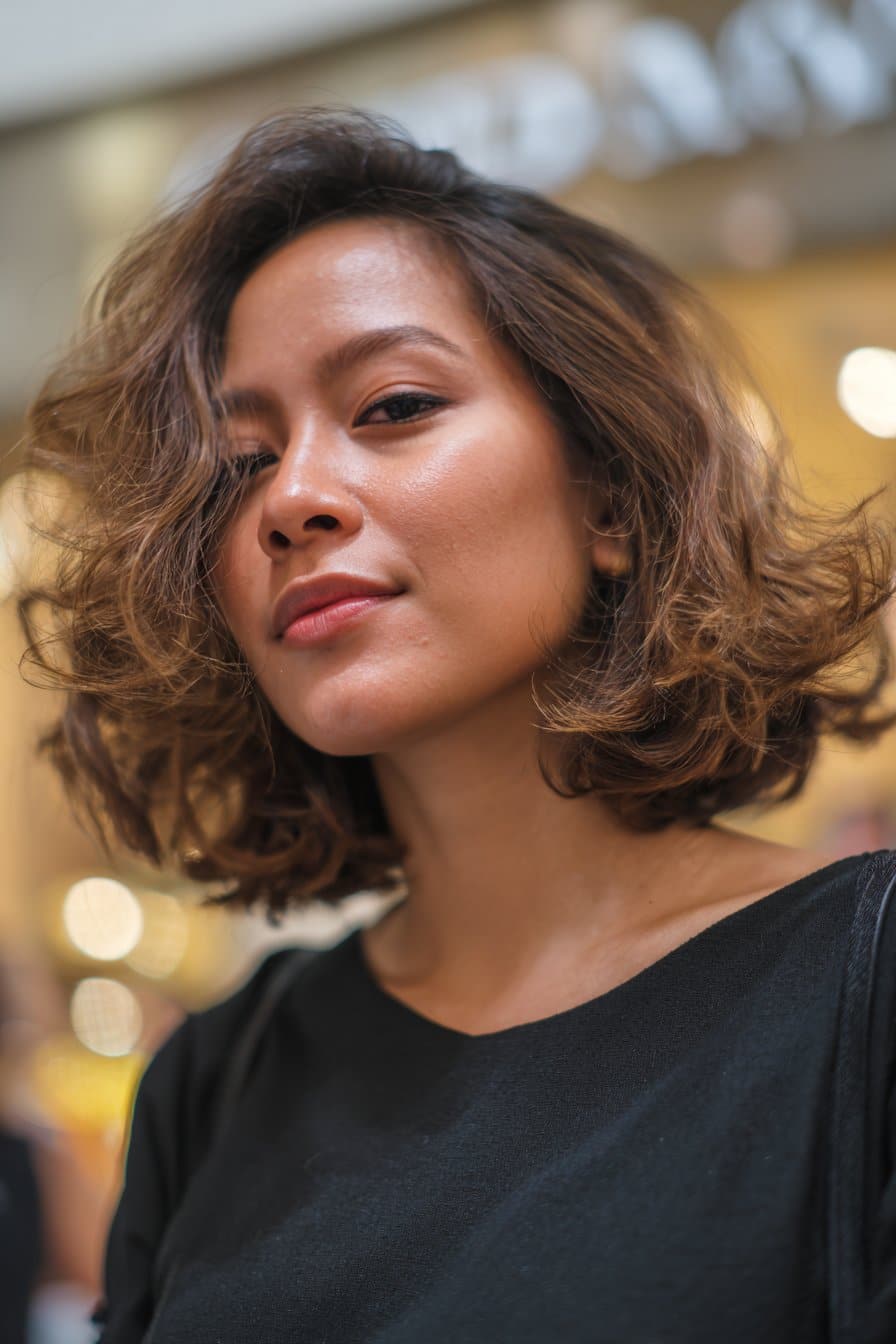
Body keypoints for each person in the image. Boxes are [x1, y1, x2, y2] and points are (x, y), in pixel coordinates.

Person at [15, 107, 896, 1343]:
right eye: (238, 463)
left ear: (609, 496)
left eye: (391, 406)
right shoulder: (218, 1081)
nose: (293, 499)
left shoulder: (857, 988)